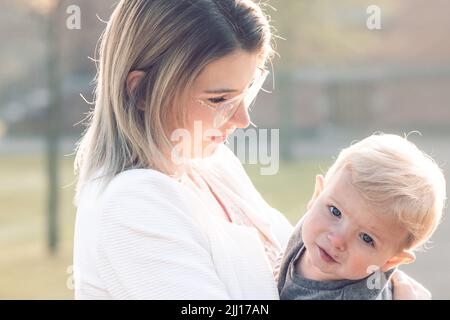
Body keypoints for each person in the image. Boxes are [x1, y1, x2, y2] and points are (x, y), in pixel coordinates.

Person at [73, 0, 431, 299]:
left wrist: (388, 280)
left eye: (246, 92)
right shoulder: (131, 205)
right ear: (143, 91)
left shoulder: (211, 164)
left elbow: (308, 263)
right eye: (218, 99)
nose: (243, 118)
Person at [277, 134, 446, 299]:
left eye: (366, 238)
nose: (337, 239)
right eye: (335, 211)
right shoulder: (312, 226)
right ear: (316, 196)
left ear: (390, 261)